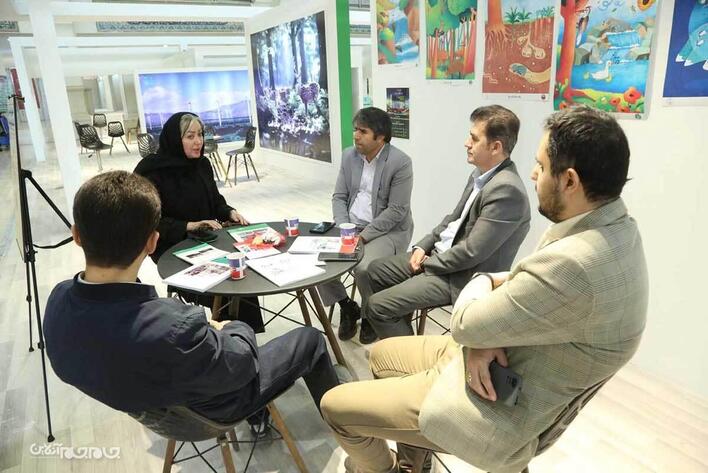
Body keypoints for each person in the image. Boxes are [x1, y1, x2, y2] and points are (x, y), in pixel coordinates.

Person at [320, 105, 648, 473]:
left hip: (492, 398)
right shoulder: (615, 231)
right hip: (493, 356)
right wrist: (481, 329)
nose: (533, 173)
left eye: (541, 166)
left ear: (570, 181)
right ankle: (414, 463)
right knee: (381, 356)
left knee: (334, 406)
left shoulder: (574, 263)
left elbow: (469, 318)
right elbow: (511, 286)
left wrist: (485, 291)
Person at [43, 171, 340, 438]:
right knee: (311, 338)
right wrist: (232, 327)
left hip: (161, 412)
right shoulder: (173, 329)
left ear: (76, 235)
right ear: (152, 242)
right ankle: (350, 428)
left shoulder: (58, 302)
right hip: (211, 412)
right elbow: (243, 362)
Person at [364, 105, 530, 340]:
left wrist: (428, 264)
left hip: (461, 276)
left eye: (474, 138)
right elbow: (453, 219)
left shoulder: (507, 190)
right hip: (442, 257)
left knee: (377, 307)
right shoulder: (480, 175)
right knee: (376, 271)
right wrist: (422, 246)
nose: (466, 143)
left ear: (496, 147)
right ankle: (402, 333)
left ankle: (410, 357)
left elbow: (471, 252)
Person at [134, 112, 262, 329]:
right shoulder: (152, 171)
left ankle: (239, 335)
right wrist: (188, 226)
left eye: (200, 135)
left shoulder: (202, 164)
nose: (198, 142)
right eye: (190, 136)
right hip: (171, 247)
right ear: (175, 139)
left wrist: (229, 212)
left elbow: (215, 201)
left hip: (205, 239)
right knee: (228, 281)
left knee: (241, 270)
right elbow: (148, 221)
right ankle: (228, 335)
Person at [318, 107, 414, 344]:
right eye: (355, 130)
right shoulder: (349, 156)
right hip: (351, 227)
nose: (356, 135)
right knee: (320, 260)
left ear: (381, 137)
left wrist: (363, 236)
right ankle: (346, 305)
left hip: (387, 231)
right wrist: (345, 228)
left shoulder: (400, 162)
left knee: (363, 267)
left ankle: (371, 313)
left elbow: (397, 210)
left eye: (363, 131)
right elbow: (339, 196)